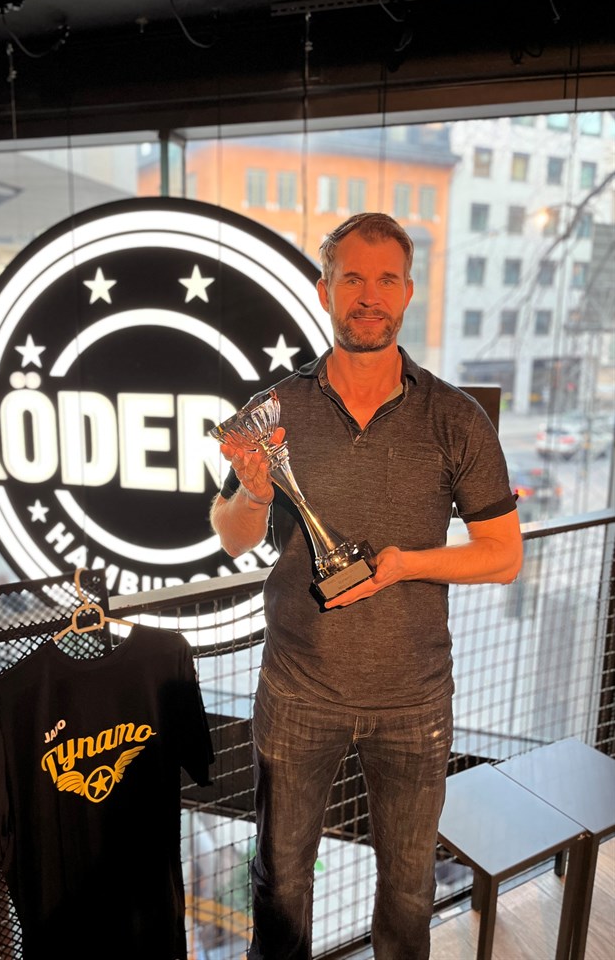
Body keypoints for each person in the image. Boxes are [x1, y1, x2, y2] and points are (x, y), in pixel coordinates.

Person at [209, 212, 523, 960]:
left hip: (414, 700)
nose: (369, 296)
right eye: (353, 278)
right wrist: (253, 491)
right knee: (280, 882)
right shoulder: (276, 411)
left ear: (408, 292)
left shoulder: (456, 418)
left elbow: (502, 555)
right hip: (297, 691)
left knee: (409, 892)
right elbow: (231, 535)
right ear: (326, 291)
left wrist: (406, 564)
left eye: (387, 280)